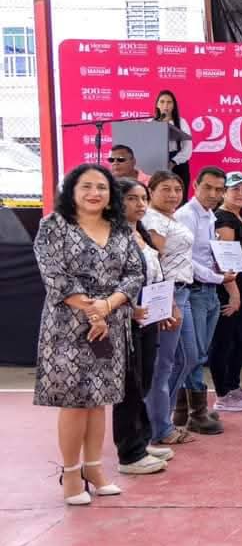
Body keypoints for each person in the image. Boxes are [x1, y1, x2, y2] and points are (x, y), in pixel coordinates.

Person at [34, 164, 143, 504]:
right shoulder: (53, 225)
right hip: (67, 326)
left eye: (102, 187)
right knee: (74, 402)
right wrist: (91, 310)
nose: (95, 193)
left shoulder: (120, 228)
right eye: (86, 186)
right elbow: (55, 275)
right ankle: (70, 474)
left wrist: (107, 306)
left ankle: (94, 469)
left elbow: (134, 273)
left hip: (111, 323)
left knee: (99, 401)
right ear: (71, 190)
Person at [113, 178, 173, 475]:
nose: (140, 204)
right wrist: (129, 308)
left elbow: (154, 275)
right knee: (130, 387)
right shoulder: (113, 236)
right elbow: (110, 283)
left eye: (143, 198)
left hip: (149, 318)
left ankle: (142, 441)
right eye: (132, 198)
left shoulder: (142, 233)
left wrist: (163, 307)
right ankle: (129, 454)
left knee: (144, 381)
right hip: (126, 321)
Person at [173, 167, 234, 433]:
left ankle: (184, 410)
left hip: (209, 290)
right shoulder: (186, 216)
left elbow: (206, 255)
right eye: (208, 187)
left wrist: (221, 270)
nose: (213, 193)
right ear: (195, 185)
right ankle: (196, 414)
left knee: (198, 353)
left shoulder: (209, 216)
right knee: (193, 354)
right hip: (194, 290)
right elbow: (187, 261)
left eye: (219, 189)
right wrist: (218, 277)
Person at [143, 171, 197, 445]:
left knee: (186, 358)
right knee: (163, 364)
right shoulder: (152, 219)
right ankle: (158, 428)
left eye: (177, 189)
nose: (173, 194)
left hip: (182, 292)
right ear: (151, 191)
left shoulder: (170, 218)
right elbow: (156, 262)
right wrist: (168, 303)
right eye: (166, 189)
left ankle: (160, 419)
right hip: (168, 294)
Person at [208, 172, 242, 412]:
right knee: (224, 342)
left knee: (241, 340)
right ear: (224, 193)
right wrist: (234, 294)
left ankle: (233, 386)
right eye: (235, 189)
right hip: (228, 292)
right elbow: (224, 259)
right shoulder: (224, 219)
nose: (241, 193)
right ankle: (222, 395)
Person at [152, 90, 192, 199]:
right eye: (162, 102)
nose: (165, 105)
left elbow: (187, 148)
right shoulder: (151, 123)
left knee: (179, 198)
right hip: (157, 164)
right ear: (157, 104)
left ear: (174, 105)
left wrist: (173, 162)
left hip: (178, 164)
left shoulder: (181, 122)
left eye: (169, 102)